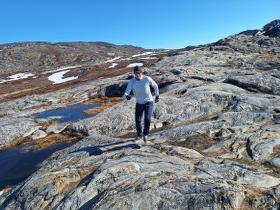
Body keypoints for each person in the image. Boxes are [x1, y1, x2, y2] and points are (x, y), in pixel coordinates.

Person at [124, 66, 159, 142]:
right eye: (136, 73)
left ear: (141, 73)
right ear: (134, 73)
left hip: (148, 102)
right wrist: (127, 96)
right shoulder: (132, 81)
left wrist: (157, 96)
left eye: (139, 72)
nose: (138, 74)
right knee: (138, 120)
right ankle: (139, 135)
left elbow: (155, 85)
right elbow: (126, 92)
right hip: (139, 103)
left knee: (147, 119)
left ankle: (145, 134)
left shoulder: (147, 79)